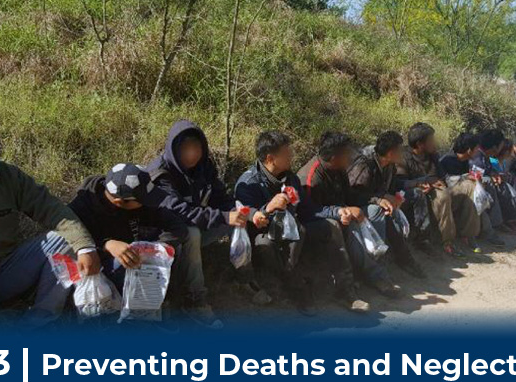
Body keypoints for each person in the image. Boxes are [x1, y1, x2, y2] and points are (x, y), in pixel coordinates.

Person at [0, 114, 99, 327]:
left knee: (63, 240)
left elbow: (52, 210)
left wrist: (85, 247)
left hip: (8, 271)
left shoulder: (6, 177)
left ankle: (39, 320)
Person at [147, 121, 271, 319]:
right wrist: (224, 216)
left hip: (197, 222)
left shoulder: (204, 167)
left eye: (196, 148)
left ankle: (244, 278)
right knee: (193, 232)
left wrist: (248, 214)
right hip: (167, 236)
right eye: (185, 148)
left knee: (237, 219)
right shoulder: (161, 174)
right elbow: (181, 213)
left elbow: (221, 198)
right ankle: (195, 298)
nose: (191, 154)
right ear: (174, 148)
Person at [67, 164, 193, 322]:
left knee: (171, 251)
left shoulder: (140, 195)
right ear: (120, 202)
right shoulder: (83, 207)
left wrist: (155, 247)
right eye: (143, 201)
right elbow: (72, 241)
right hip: (101, 265)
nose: (148, 202)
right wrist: (106, 245)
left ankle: (165, 307)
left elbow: (178, 227)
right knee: (124, 264)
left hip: (138, 255)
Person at [297, 132, 398, 302]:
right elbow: (308, 212)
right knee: (348, 223)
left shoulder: (339, 169)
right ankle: (367, 278)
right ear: (334, 157)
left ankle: (377, 266)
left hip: (340, 212)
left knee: (375, 210)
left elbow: (350, 196)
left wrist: (377, 199)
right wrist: (340, 211)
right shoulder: (312, 177)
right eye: (347, 153)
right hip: (319, 221)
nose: (351, 156)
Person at [235, 131, 316, 315]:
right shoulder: (248, 182)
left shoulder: (291, 178)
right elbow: (245, 214)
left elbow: (305, 208)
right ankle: (294, 283)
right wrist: (267, 209)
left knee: (302, 230)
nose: (291, 157)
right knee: (265, 243)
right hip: (261, 233)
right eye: (287, 154)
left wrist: (337, 212)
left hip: (288, 229)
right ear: (270, 158)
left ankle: (290, 273)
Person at [347, 131, 423, 278]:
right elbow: (353, 196)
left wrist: (396, 198)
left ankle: (405, 257)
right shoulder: (365, 164)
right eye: (399, 150)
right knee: (380, 213)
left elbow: (390, 188)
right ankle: (382, 266)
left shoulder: (390, 166)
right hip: (360, 207)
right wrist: (379, 199)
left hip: (379, 204)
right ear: (390, 153)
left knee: (404, 205)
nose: (402, 153)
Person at [397, 123, 480, 256]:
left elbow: (443, 177)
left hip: (438, 192)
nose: (434, 142)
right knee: (442, 195)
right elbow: (399, 183)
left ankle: (468, 235)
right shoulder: (403, 157)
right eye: (431, 140)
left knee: (470, 186)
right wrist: (421, 183)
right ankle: (447, 242)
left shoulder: (433, 155)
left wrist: (460, 179)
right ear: (420, 144)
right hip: (419, 198)